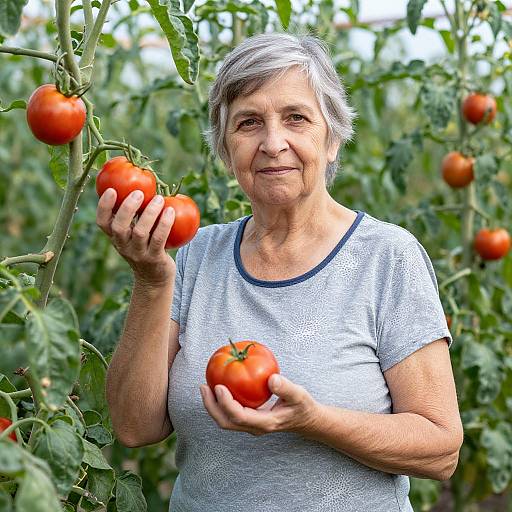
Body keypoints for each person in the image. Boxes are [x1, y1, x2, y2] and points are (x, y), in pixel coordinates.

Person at [99, 32, 463, 512]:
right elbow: (134, 426)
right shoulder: (192, 256)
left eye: (296, 118)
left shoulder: (387, 259)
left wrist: (313, 420)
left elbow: (441, 449)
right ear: (226, 151)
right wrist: (151, 281)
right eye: (249, 123)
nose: (273, 144)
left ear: (331, 139)